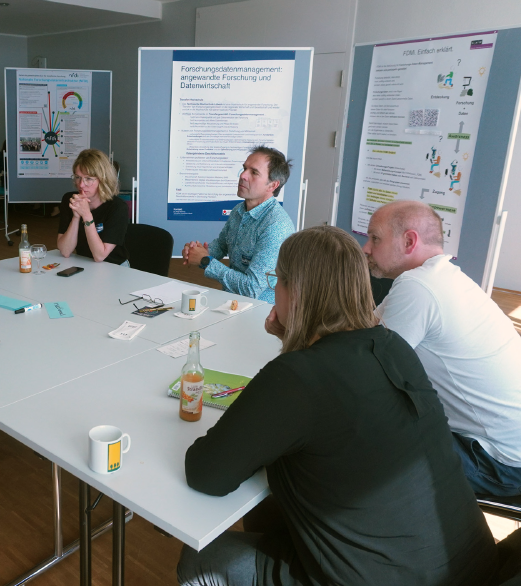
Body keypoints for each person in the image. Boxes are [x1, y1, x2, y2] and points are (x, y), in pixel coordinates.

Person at [177, 226, 496, 586]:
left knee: (199, 559)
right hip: (470, 567)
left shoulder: (296, 377)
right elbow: (333, 401)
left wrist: (293, 356)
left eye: (278, 280)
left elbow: (206, 473)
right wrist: (296, 344)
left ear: (295, 292)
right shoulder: (394, 348)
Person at [364, 199, 521, 496]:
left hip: (499, 462)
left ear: (409, 241)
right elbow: (366, 330)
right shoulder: (442, 277)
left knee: (359, 431)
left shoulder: (419, 287)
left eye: (375, 238)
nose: (366, 249)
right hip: (510, 446)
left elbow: (365, 371)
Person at [181, 146, 294, 304]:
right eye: (244, 168)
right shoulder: (238, 210)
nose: (242, 175)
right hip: (231, 302)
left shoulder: (276, 226)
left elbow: (251, 289)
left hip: (261, 313)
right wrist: (198, 251)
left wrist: (205, 261)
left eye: (254, 172)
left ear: (273, 185)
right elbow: (222, 245)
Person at [57, 148, 129, 265]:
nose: (81, 184)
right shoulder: (69, 199)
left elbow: (100, 256)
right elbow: (65, 251)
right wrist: (76, 217)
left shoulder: (117, 207)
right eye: (78, 177)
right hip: (83, 263)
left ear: (102, 179)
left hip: (114, 266)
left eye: (88, 179)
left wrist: (86, 215)